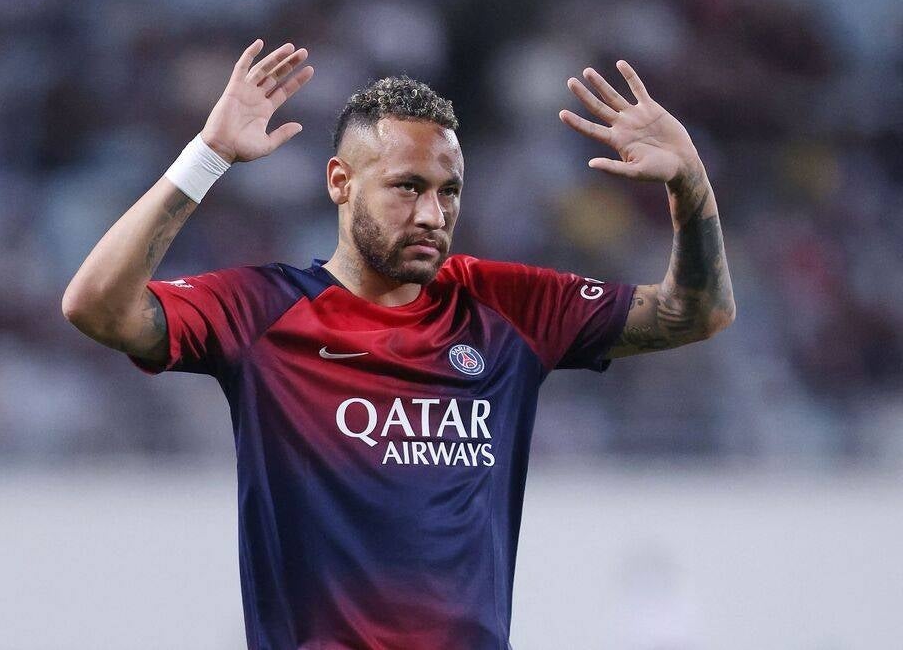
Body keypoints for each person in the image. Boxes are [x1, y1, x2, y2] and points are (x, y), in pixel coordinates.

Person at [62, 39, 735, 649]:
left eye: (449, 192)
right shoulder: (262, 312)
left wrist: (689, 181)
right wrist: (207, 158)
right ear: (340, 182)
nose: (432, 215)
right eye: (407, 187)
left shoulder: (507, 308)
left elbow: (695, 312)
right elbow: (95, 305)